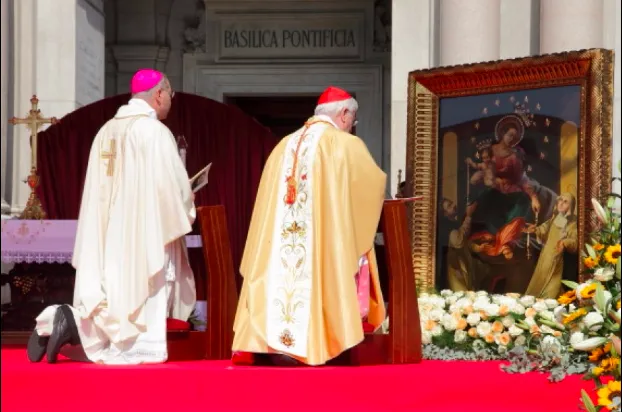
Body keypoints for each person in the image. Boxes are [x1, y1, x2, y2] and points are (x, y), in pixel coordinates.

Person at [26, 69, 197, 365]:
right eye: (170, 94)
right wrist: (189, 198)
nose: (171, 100)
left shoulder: (104, 132)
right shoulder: (155, 133)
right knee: (138, 294)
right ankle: (129, 344)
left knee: (111, 294)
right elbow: (174, 192)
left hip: (106, 236)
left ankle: (55, 321)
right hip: (144, 235)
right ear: (158, 94)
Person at [232, 86, 387, 366]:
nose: (351, 127)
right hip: (319, 244)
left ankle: (270, 344)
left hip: (278, 245)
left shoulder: (283, 145)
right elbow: (370, 187)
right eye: (353, 121)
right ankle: (318, 343)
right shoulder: (345, 144)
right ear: (343, 114)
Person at [523, 192, 578, 298]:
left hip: (557, 259)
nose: (561, 204)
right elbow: (544, 229)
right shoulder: (556, 218)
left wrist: (564, 242)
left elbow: (574, 241)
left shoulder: (573, 222)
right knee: (539, 283)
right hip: (545, 257)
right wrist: (535, 229)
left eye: (565, 202)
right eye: (560, 200)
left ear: (570, 206)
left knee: (553, 289)